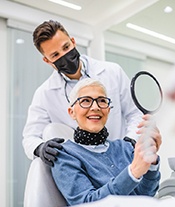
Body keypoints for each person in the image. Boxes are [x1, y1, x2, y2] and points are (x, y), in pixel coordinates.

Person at [22, 20, 143, 166]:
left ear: (73, 42)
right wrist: (39, 148)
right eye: (55, 55)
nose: (64, 56)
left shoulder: (112, 72)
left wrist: (130, 142)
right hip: (83, 168)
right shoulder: (45, 94)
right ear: (47, 60)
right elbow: (30, 137)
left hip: (123, 159)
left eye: (66, 47)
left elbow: (135, 114)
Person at [51, 78, 161, 206]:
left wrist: (151, 163)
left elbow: (146, 195)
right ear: (72, 112)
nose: (95, 107)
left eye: (102, 101)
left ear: (108, 110)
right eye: (86, 101)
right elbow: (87, 206)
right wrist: (133, 172)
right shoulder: (65, 155)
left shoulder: (124, 148)